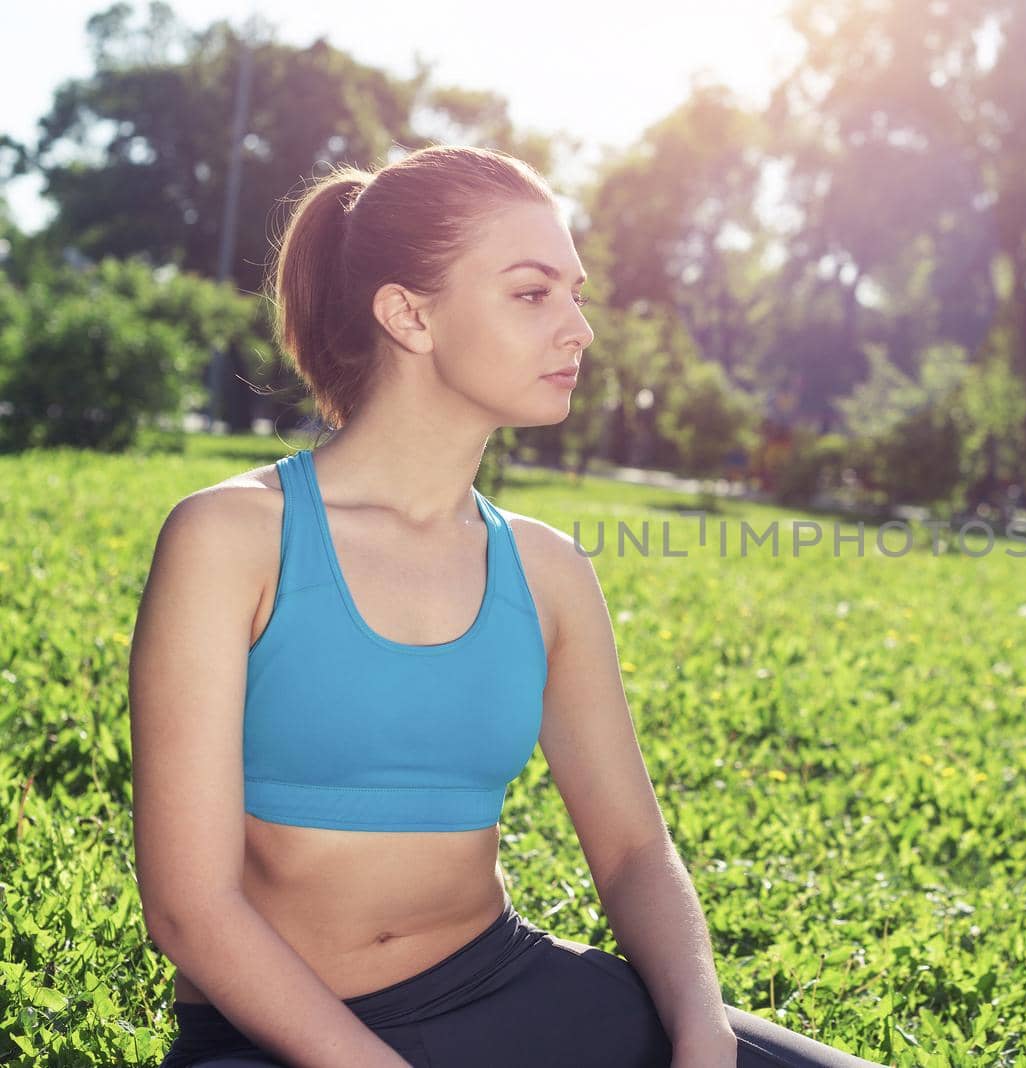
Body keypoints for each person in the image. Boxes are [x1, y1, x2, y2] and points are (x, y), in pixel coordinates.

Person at [129, 144, 883, 1068]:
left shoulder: (548, 570)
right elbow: (189, 908)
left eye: (576, 295)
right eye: (533, 294)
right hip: (276, 1041)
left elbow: (635, 854)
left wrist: (701, 1032)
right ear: (409, 315)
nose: (578, 330)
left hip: (509, 991)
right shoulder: (229, 539)